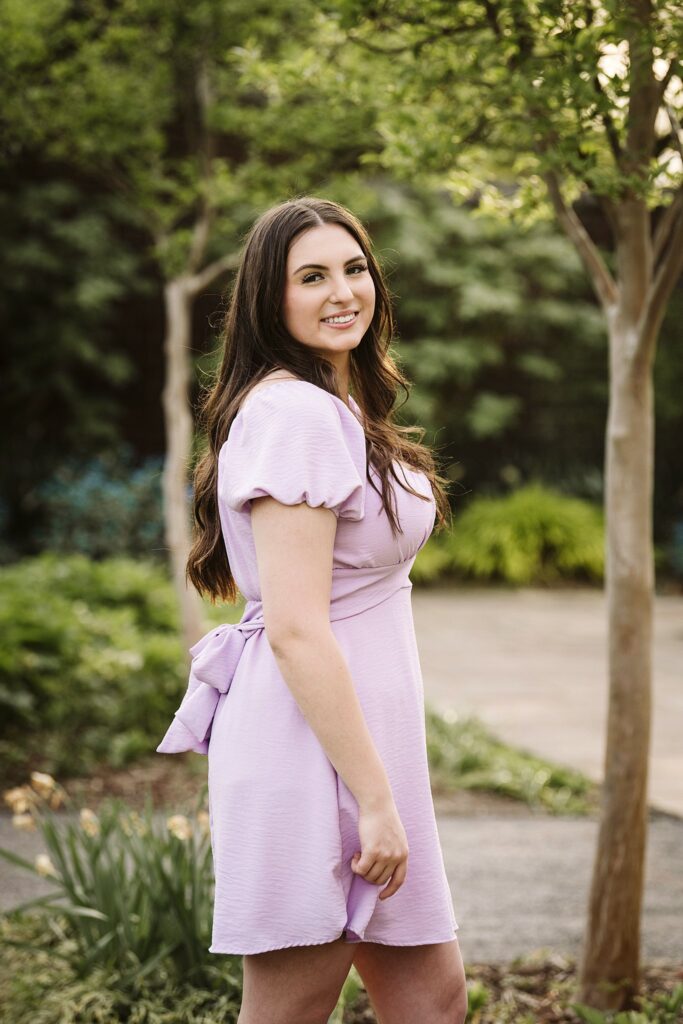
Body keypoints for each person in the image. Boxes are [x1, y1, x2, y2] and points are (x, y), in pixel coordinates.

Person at [156, 196, 468, 1024]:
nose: (342, 292)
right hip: (316, 755)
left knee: (430, 1001)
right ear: (270, 298)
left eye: (354, 269)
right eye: (311, 276)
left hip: (360, 746)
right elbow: (295, 627)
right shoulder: (294, 413)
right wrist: (372, 799)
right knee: (291, 1011)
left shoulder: (332, 405)